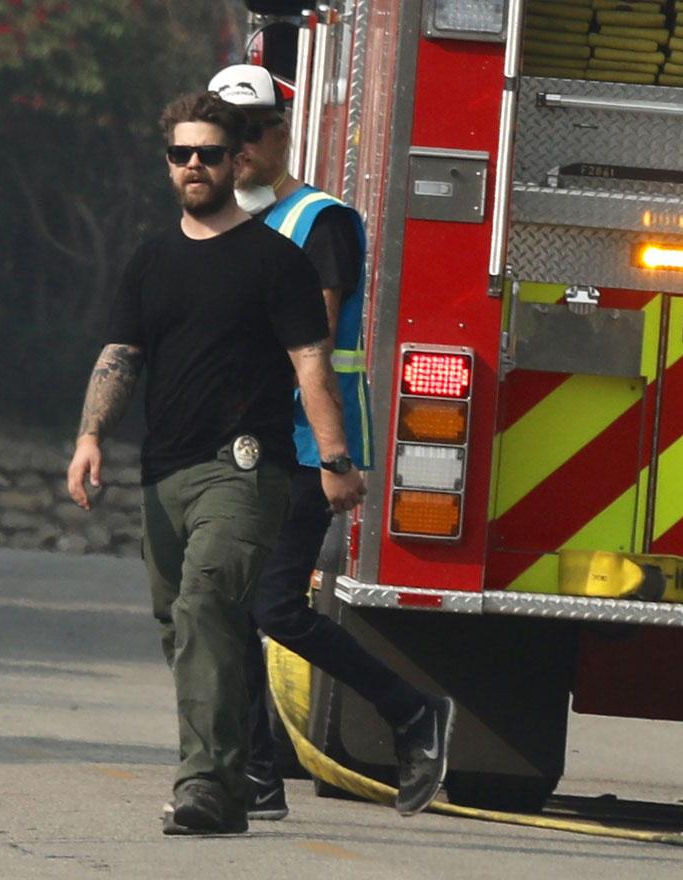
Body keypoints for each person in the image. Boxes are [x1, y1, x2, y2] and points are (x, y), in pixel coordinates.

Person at [65, 90, 365, 836]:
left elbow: (311, 364)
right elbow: (122, 354)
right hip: (166, 471)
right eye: (180, 155)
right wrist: (90, 437)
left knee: (205, 608)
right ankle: (233, 787)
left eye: (207, 153)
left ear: (237, 161)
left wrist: (334, 458)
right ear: (168, 165)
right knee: (184, 626)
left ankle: (201, 784)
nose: (193, 166)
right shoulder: (152, 259)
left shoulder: (278, 259)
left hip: (246, 467)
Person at [207, 63, 456, 820]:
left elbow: (308, 345)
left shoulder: (319, 222)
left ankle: (412, 711)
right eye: (225, 133)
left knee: (273, 609)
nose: (239, 147)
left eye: (253, 131)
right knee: (226, 607)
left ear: (284, 130)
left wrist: (337, 457)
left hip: (305, 448)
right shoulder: (223, 222)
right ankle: (255, 778)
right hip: (245, 446)